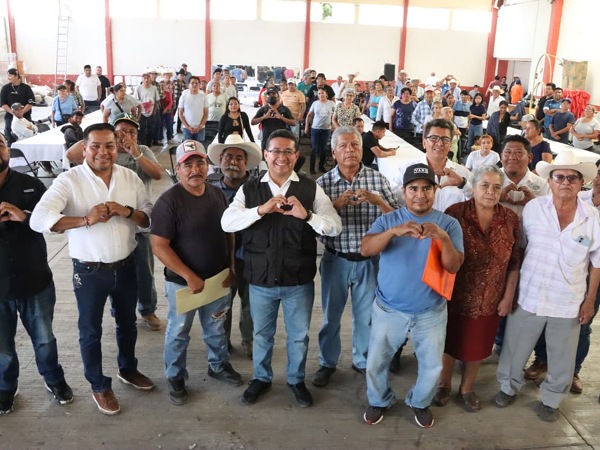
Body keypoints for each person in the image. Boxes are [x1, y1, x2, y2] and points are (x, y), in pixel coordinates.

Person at [30, 123, 155, 416]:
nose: (103, 152)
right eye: (95, 146)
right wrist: (85, 220)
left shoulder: (129, 177)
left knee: (127, 323)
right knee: (90, 331)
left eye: (109, 145)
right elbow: (38, 219)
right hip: (89, 271)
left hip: (126, 265)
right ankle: (98, 384)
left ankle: (128, 369)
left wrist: (127, 211)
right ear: (84, 149)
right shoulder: (69, 180)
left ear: (117, 147)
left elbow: (148, 217)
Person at [221, 129, 341, 408]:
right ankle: (261, 378)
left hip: (297, 281)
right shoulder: (250, 189)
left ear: (296, 156)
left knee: (298, 337)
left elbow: (335, 226)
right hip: (260, 280)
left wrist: (307, 215)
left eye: (288, 151)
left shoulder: (310, 189)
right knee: (262, 335)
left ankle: (296, 380)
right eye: (275, 151)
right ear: (265, 155)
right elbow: (227, 222)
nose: (282, 157)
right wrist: (260, 210)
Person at [495, 150, 600, 423]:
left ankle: (551, 399)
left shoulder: (592, 219)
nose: (565, 182)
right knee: (514, 349)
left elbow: (596, 264)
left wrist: (589, 301)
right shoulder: (533, 209)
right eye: (559, 177)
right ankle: (508, 387)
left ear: (581, 183)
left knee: (562, 357)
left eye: (572, 178)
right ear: (550, 181)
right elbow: (519, 251)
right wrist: (511, 290)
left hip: (568, 300)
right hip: (529, 294)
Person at [361, 163, 464, 427]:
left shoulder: (448, 224)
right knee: (376, 362)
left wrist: (442, 238)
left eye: (426, 188)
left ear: (435, 191)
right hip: (388, 309)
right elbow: (366, 249)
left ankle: (419, 402)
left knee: (432, 366)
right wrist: (392, 232)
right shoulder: (389, 220)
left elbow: (454, 266)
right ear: (404, 191)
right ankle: (379, 400)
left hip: (430, 311)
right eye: (414, 188)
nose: (420, 194)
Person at [151, 140, 243, 405]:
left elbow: (229, 232)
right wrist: (189, 276)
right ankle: (175, 375)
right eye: (187, 165)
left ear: (207, 165)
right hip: (183, 284)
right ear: (177, 170)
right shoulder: (168, 202)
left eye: (199, 163)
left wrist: (231, 265)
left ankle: (218, 365)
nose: (195, 170)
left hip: (217, 280)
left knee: (216, 327)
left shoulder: (217, 194)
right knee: (179, 331)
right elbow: (159, 246)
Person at [312, 126, 399, 388]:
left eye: (355, 145)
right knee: (331, 316)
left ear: (362, 149)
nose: (350, 150)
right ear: (333, 152)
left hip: (369, 262)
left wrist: (377, 201)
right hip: (335, 259)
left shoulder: (378, 180)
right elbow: (314, 225)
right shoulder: (323, 184)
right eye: (343, 146)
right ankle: (327, 362)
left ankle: (362, 360)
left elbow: (397, 220)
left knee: (366, 317)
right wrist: (336, 205)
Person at [433, 165, 520, 412]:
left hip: (490, 297)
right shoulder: (455, 213)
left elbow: (514, 262)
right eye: (485, 185)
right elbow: (439, 255)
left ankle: (467, 388)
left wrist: (508, 297)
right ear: (473, 187)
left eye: (496, 187)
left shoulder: (510, 219)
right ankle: (444, 384)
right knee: (449, 341)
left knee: (479, 346)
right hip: (455, 294)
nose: (490, 191)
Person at [0, 133, 73, 416]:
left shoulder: (31, 184)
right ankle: (6, 386)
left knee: (44, 338)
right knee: (2, 348)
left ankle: (53, 378)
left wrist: (25, 216)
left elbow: (55, 224)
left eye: (0, 144)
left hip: (35, 280)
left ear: (8, 149)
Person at [206, 135, 263, 356]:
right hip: (220, 260)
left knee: (251, 303)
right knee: (222, 304)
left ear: (246, 163)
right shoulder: (210, 191)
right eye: (228, 157)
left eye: (239, 158)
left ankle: (250, 341)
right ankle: (222, 342)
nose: (233, 162)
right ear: (220, 160)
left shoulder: (258, 190)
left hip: (252, 257)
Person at [393, 119, 473, 213]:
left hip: (453, 222)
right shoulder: (405, 171)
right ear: (424, 142)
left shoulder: (464, 174)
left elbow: (475, 207)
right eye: (434, 138)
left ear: (450, 145)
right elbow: (394, 203)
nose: (440, 143)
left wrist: (463, 184)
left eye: (445, 139)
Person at [1, 68, 35, 146]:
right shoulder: (5, 88)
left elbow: (30, 102)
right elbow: (3, 104)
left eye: (10, 75)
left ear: (16, 76)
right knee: (11, 139)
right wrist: (13, 113)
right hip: (10, 117)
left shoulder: (26, 88)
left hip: (25, 117)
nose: (8, 77)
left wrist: (21, 112)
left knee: (28, 137)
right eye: (8, 75)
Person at [305, 87, 336, 174]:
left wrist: (333, 125)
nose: (321, 95)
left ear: (326, 94)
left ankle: (321, 167)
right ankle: (312, 168)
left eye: (322, 93)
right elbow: (309, 115)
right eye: (319, 93)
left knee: (323, 149)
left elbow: (335, 115)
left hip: (326, 129)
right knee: (314, 149)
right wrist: (307, 127)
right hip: (315, 129)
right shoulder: (315, 103)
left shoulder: (332, 104)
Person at [178, 76, 209, 142]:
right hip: (187, 129)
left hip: (200, 129)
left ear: (199, 85)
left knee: (200, 146)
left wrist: (200, 126)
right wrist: (188, 127)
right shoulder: (183, 97)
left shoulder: (203, 97)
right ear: (188, 85)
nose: (194, 85)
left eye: (196, 83)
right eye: (192, 83)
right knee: (188, 147)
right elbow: (180, 114)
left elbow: (206, 114)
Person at [135, 73, 160, 147]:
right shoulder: (138, 88)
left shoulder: (154, 88)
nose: (146, 80)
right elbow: (135, 100)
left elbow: (156, 100)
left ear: (150, 79)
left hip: (151, 111)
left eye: (148, 78)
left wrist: (154, 111)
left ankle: (149, 144)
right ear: (142, 79)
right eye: (144, 78)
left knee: (151, 128)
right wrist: (137, 112)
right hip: (141, 111)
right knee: (142, 128)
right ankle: (143, 144)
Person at [411, 86, 435, 151]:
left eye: (431, 93)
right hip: (421, 132)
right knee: (420, 150)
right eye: (427, 93)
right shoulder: (420, 104)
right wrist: (421, 126)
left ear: (434, 94)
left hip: (433, 134)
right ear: (424, 94)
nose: (429, 95)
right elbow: (413, 118)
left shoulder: (437, 104)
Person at [205, 82, 228, 146]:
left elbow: (228, 105)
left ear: (220, 87)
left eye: (217, 86)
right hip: (210, 120)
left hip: (221, 120)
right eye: (214, 86)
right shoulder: (208, 96)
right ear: (212, 88)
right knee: (210, 138)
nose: (216, 87)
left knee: (220, 137)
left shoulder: (224, 95)